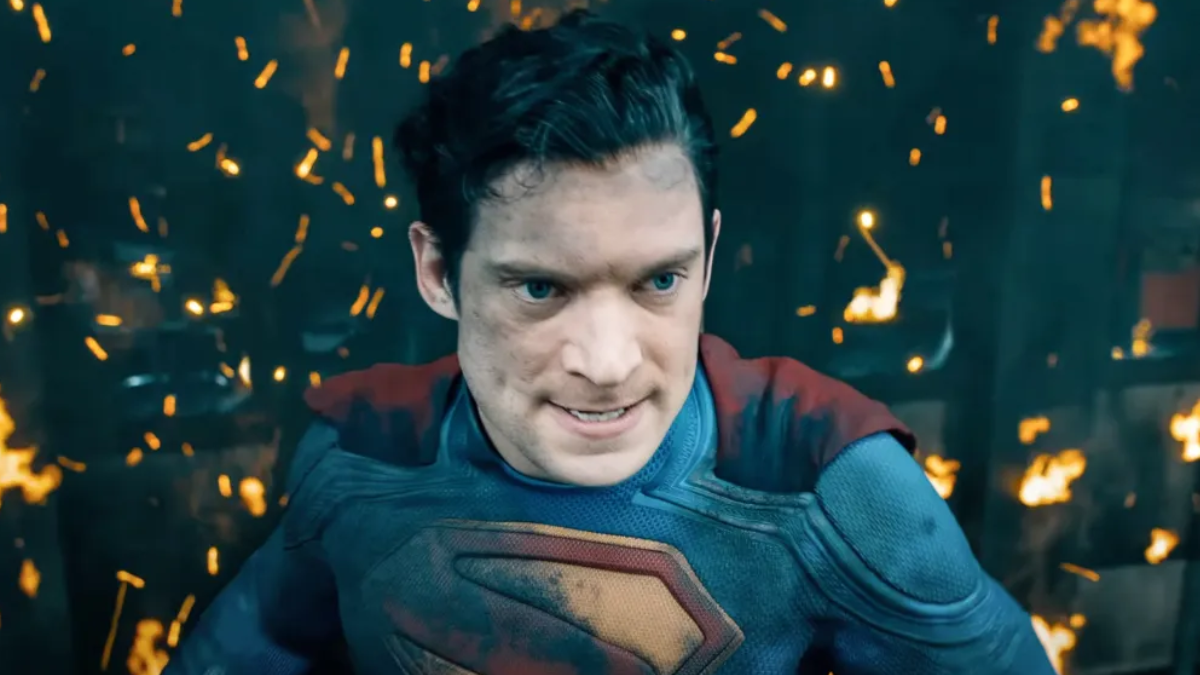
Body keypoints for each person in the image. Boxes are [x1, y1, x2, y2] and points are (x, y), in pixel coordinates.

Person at [165, 10, 1057, 675]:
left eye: (659, 280)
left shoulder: (827, 482)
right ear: (438, 271)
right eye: (540, 288)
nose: (609, 363)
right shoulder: (362, 451)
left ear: (709, 255)